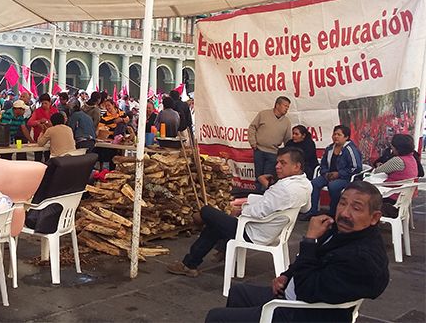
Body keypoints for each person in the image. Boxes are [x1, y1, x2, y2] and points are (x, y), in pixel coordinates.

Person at [206, 181, 389, 323]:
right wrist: (287, 275)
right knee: (239, 292)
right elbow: (309, 261)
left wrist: (309, 240)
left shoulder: (362, 257)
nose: (345, 213)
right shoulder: (342, 231)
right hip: (296, 294)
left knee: (217, 318)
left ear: (374, 217)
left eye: (356, 208)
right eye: (342, 204)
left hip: (307, 314)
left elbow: (307, 290)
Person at [167, 147, 311, 278]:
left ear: (296, 166)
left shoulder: (284, 188)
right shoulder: (306, 185)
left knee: (207, 212)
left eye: (283, 163)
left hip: (253, 232)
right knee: (215, 224)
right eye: (278, 162)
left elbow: (258, 212)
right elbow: (306, 208)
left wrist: (240, 210)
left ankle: (197, 239)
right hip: (273, 231)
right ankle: (192, 262)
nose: (277, 166)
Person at [304, 125, 362, 219]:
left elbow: (356, 168)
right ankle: (313, 211)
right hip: (329, 175)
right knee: (314, 183)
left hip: (346, 177)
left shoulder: (350, 150)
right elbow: (323, 164)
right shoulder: (330, 148)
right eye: (334, 134)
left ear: (346, 137)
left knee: (333, 186)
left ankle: (333, 212)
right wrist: (325, 173)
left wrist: (339, 174)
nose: (335, 136)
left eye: (339, 134)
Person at [248, 96, 292, 192]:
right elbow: (252, 127)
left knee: (268, 178)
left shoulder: (286, 122)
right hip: (259, 150)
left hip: (273, 153)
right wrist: (253, 142)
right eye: (285, 106)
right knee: (258, 176)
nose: (286, 109)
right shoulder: (263, 114)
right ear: (277, 105)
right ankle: (257, 197)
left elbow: (288, 139)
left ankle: (266, 197)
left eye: (288, 107)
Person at [28, 93, 58, 162]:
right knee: (38, 158)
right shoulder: (37, 111)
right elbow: (29, 122)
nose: (44, 105)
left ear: (50, 102)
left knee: (49, 158)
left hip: (51, 139)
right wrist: (38, 122)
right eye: (42, 103)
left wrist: (49, 123)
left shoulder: (55, 111)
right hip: (38, 138)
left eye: (46, 103)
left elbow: (58, 124)